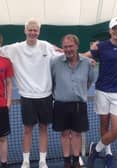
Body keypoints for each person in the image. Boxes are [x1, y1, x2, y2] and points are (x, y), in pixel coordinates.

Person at [0, 18, 62, 168]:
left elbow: (64, 53)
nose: (32, 32)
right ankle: (25, 161)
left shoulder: (46, 46)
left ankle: (42, 160)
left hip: (45, 96)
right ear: (25, 30)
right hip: (27, 96)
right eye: (30, 29)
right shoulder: (14, 49)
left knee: (43, 128)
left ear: (38, 32)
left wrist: (86, 58)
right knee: (27, 130)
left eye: (35, 30)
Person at [85, 17, 117, 168]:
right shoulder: (100, 46)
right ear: (110, 31)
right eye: (113, 28)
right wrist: (65, 51)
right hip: (102, 91)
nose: (116, 31)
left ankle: (96, 149)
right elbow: (84, 56)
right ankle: (108, 152)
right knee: (104, 124)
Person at [51, 34, 95, 168]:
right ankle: (66, 161)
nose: (68, 49)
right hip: (60, 105)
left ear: (77, 46)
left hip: (78, 104)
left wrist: (79, 92)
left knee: (76, 134)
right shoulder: (55, 62)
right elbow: (52, 82)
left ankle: (76, 161)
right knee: (64, 134)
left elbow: (89, 80)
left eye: (71, 46)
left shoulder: (87, 63)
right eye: (65, 47)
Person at [0, 33, 14, 168]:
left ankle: (4, 164)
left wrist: (9, 101)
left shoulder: (6, 62)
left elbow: (9, 83)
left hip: (1, 105)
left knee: (2, 138)